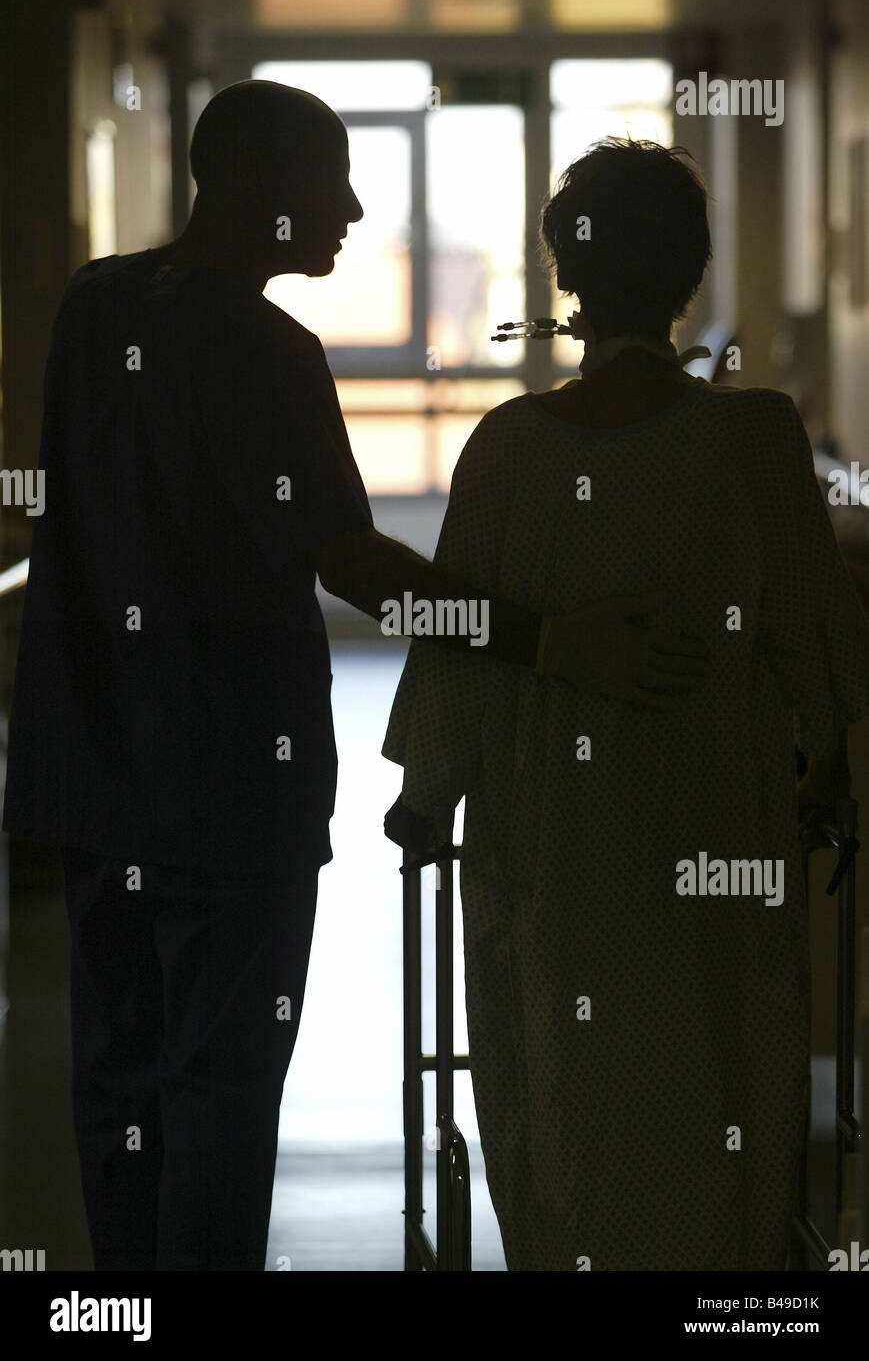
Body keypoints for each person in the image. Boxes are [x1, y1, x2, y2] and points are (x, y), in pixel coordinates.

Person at [1, 86, 711, 1273]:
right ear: (246, 184)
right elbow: (355, 565)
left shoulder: (95, 306)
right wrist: (546, 640)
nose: (353, 206)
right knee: (221, 1088)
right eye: (325, 181)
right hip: (227, 790)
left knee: (118, 1082)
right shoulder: (268, 353)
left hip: (94, 781)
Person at [382, 137, 869, 1271]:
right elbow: (820, 670)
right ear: (689, 278)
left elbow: (454, 657)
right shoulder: (754, 442)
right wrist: (826, 775)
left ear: (565, 279)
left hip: (557, 849)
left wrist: (425, 795)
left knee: (563, 1075)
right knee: (721, 1071)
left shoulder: (506, 454)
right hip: (719, 833)